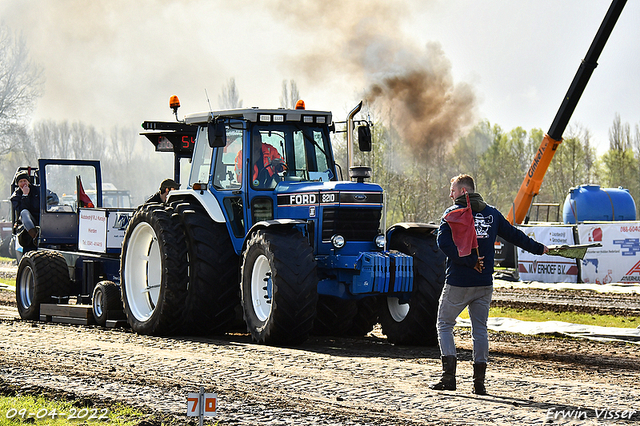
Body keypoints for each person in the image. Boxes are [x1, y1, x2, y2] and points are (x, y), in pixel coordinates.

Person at [432, 174, 548, 395]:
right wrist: (539, 248)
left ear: (464, 192)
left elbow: (442, 242)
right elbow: (515, 236)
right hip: (484, 283)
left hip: (458, 282)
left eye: (453, 191)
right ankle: (479, 383)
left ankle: (449, 377)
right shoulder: (492, 214)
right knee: (480, 330)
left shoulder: (451, 214)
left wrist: (469, 260)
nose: (450, 195)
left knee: (444, 324)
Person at [10, 171, 40, 244]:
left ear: (28, 182)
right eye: (20, 181)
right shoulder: (15, 197)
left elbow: (51, 197)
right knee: (24, 212)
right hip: (26, 221)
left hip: (40, 217)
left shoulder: (38, 190)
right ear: (18, 184)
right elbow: (21, 210)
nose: (23, 183)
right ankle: (35, 237)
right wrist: (25, 195)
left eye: (24, 181)